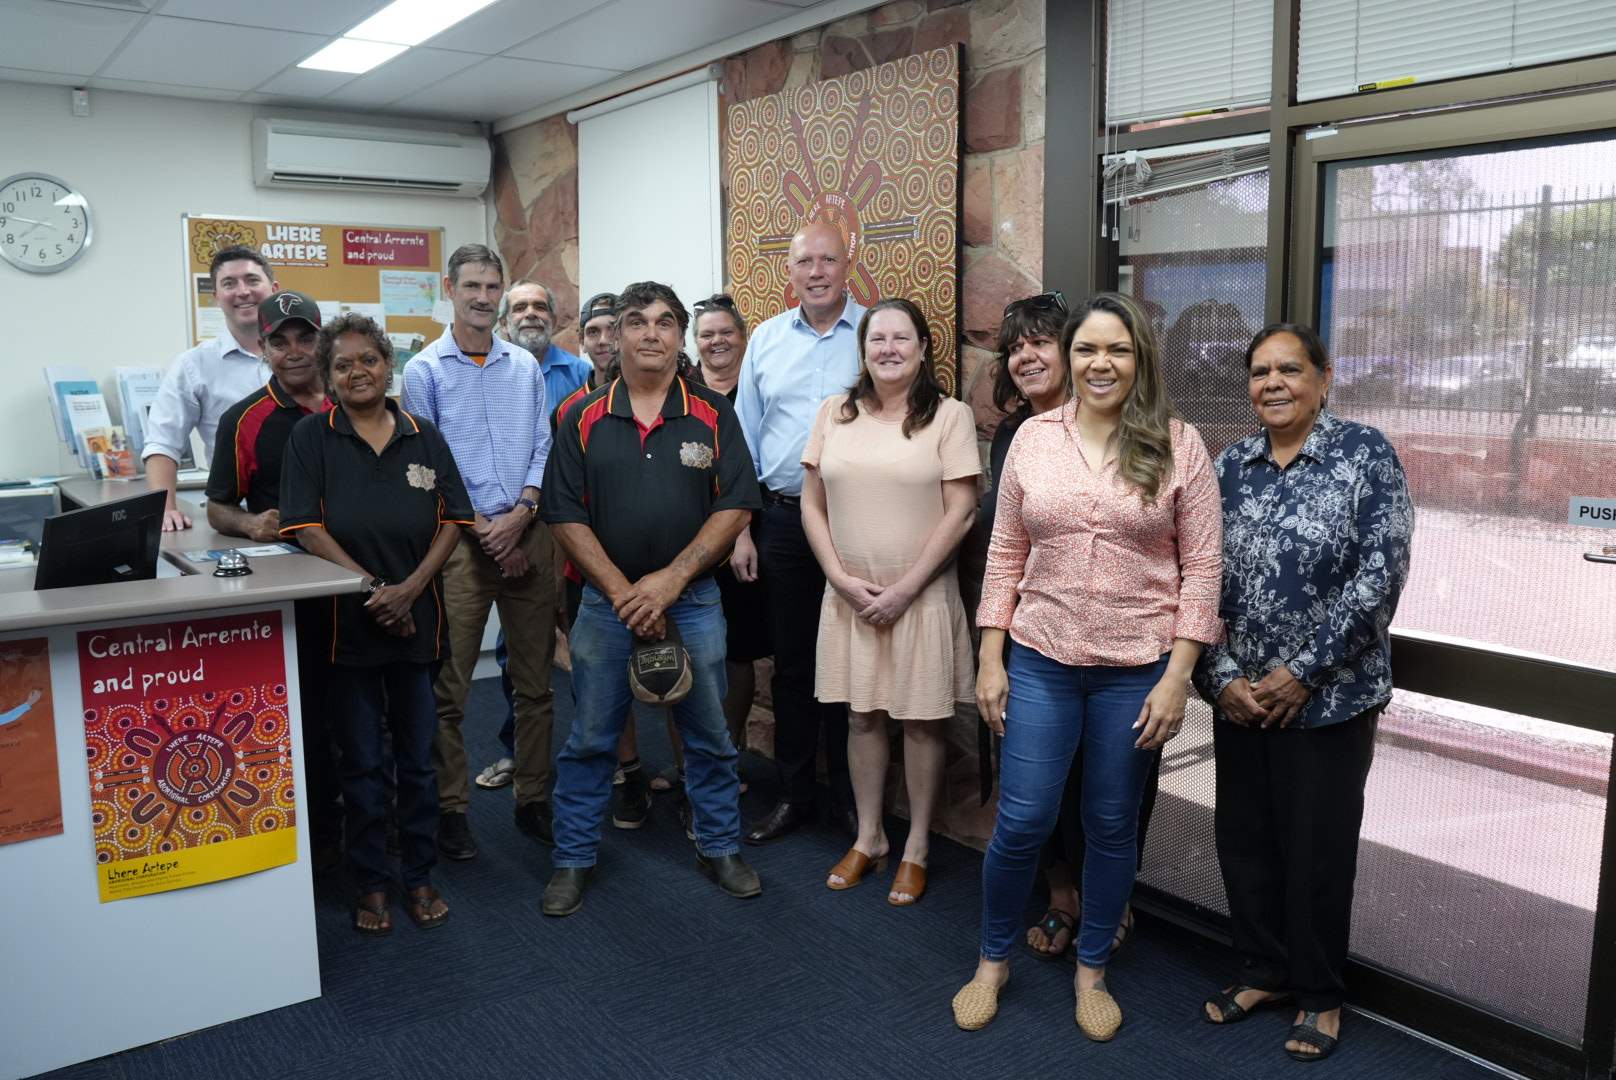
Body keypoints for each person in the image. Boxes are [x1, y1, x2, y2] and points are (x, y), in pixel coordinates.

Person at [952, 292, 1223, 1041]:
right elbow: (1004, 552)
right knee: (1024, 820)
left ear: (1140, 360)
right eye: (1087, 350)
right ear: (1071, 360)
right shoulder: (1035, 439)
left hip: (1137, 670)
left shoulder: (1179, 445)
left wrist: (1178, 677)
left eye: (1118, 350)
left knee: (1109, 825)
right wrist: (989, 658)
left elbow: (1202, 570)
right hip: (1039, 659)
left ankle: (1093, 968)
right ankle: (992, 960)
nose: (1100, 363)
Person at [1194, 323, 1412, 1062]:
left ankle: (1319, 993)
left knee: (1317, 853)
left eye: (1290, 369)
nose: (1274, 383)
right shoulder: (1229, 467)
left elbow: (1380, 577)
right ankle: (1264, 971)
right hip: (1241, 700)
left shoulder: (1364, 456)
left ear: (1324, 378)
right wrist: (1220, 678)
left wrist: (1303, 672)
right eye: (1260, 372)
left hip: (1330, 703)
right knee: (1245, 843)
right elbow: (1196, 581)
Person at [539, 281, 762, 916]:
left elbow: (735, 504)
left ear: (679, 336)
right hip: (603, 608)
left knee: (710, 733)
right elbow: (561, 513)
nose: (651, 334)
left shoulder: (713, 414)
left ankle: (719, 843)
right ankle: (573, 858)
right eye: (637, 322)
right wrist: (623, 591)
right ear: (619, 332)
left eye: (666, 322)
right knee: (588, 738)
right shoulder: (580, 416)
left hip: (692, 602)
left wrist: (668, 582)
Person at [962, 292, 1167, 959]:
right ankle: (1060, 893)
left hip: (1126, 655)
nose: (1027, 355)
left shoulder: (1158, 440)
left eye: (1041, 342)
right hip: (1033, 639)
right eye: (1014, 346)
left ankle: (1107, 903)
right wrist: (993, 650)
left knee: (1108, 798)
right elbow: (1005, 550)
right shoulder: (1015, 436)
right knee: (1033, 795)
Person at [279, 313, 474, 935]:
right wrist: (372, 588)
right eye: (343, 364)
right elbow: (305, 526)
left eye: (367, 360)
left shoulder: (424, 435)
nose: (357, 372)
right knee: (360, 762)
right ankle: (370, 881)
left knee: (418, 760)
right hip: (348, 626)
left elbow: (452, 518)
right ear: (329, 377)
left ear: (388, 366)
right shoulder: (312, 438)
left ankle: (418, 874)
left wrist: (410, 589)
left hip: (418, 622)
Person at [800, 298, 978, 906]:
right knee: (860, 717)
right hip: (850, 598)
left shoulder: (948, 417)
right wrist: (839, 578)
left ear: (924, 348)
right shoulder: (834, 412)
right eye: (878, 338)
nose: (889, 349)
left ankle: (918, 846)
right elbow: (811, 503)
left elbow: (962, 511)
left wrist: (905, 589)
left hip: (920, 599)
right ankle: (870, 836)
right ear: (864, 348)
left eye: (902, 338)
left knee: (923, 725)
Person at [401, 244, 556, 860]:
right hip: (460, 544)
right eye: (472, 286)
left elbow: (543, 446)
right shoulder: (424, 371)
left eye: (493, 286)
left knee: (536, 684)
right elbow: (428, 468)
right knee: (450, 689)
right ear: (450, 288)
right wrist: (487, 533)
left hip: (527, 531)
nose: (484, 298)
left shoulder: (525, 366)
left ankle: (533, 797)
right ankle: (451, 810)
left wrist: (520, 515)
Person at [733, 220, 866, 844]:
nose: (816, 272)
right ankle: (793, 795)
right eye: (804, 262)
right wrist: (742, 530)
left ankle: (848, 797)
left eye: (827, 260)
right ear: (789, 271)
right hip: (783, 518)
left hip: (857, 523)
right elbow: (742, 443)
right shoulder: (764, 339)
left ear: (848, 264)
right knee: (790, 665)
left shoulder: (875, 335)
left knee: (851, 665)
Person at [205, 290, 342, 869]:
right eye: (279, 341)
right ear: (262, 348)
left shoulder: (354, 399)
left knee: (379, 710)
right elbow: (217, 507)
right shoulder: (245, 419)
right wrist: (252, 524)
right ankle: (322, 836)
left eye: (304, 337)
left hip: (368, 579)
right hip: (299, 590)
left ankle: (382, 820)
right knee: (314, 712)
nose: (294, 352)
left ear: (321, 338)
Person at [474, 280, 591, 794]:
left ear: (554, 316)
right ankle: (515, 752)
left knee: (585, 643)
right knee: (516, 652)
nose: (530, 314)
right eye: (518, 307)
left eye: (539, 306)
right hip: (509, 527)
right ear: (504, 320)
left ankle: (595, 751)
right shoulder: (491, 373)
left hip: (569, 529)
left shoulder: (581, 374)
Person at [144, 245, 278, 531]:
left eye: (252, 280)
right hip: (238, 517)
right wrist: (166, 510)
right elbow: (162, 442)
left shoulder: (311, 356)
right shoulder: (194, 365)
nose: (242, 291)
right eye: (229, 284)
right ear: (216, 297)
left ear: (274, 288)